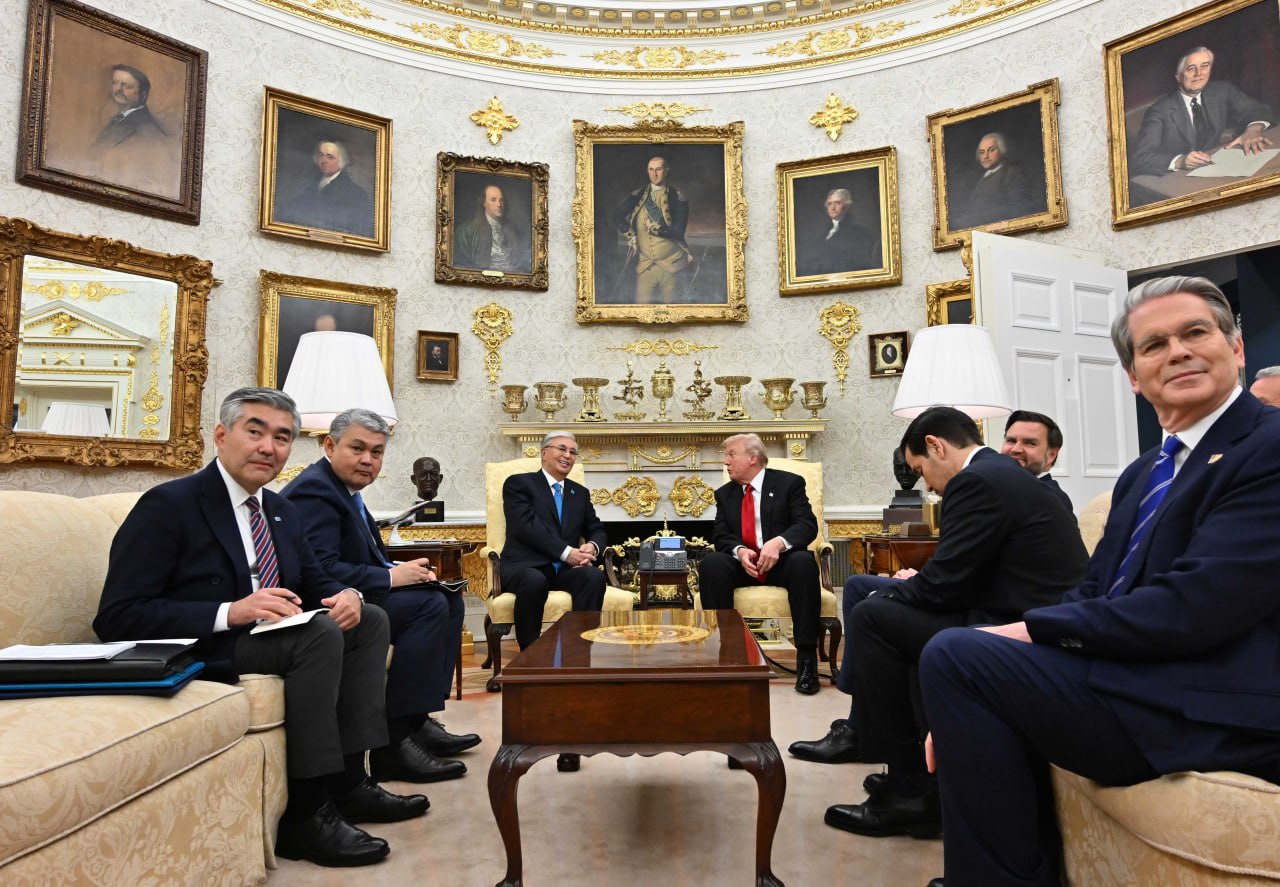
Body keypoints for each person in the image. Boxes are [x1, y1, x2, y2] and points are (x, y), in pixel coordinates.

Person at [917, 276, 1280, 886]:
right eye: (1154, 344)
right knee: (965, 660)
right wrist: (1005, 655)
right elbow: (1095, 590)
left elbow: (1196, 606)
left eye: (1195, 332)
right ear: (1134, 376)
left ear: (1236, 348)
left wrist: (1026, 633)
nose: (1178, 351)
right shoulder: (1145, 472)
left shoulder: (1268, 446)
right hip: (1143, 682)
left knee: (957, 655)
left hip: (1221, 705)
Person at [95, 388, 426, 869]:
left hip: (269, 637)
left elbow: (318, 582)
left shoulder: (280, 510)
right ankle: (306, 813)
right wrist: (230, 611)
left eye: (282, 437)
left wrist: (349, 595)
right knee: (317, 635)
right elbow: (117, 616)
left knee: (369, 619)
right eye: (255, 432)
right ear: (221, 436)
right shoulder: (169, 504)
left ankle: (351, 783)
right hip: (207, 645)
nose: (268, 447)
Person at [806, 407, 1087, 842]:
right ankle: (916, 776)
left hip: (1020, 625)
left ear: (936, 446)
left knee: (873, 616)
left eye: (921, 470)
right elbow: (959, 575)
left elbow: (944, 587)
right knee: (883, 613)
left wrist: (889, 595)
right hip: (1011, 609)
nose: (927, 485)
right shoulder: (995, 473)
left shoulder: (975, 481)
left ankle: (906, 788)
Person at [281, 409, 479, 787]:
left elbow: (360, 556)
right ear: (329, 445)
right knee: (428, 605)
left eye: (376, 452)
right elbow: (320, 570)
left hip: (358, 594)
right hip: (326, 605)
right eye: (357, 448)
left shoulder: (342, 490)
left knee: (447, 596)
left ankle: (417, 720)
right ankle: (395, 740)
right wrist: (391, 577)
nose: (367, 460)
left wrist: (403, 570)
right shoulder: (315, 491)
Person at [699, 433, 822, 695]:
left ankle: (807, 660)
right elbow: (721, 535)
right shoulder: (725, 494)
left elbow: (806, 525)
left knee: (803, 562)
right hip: (745, 566)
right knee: (713, 563)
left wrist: (778, 543)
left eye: (731, 455)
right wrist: (740, 551)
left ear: (753, 458)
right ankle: (727, 655)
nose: (726, 461)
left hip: (782, 564)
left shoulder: (789, 484)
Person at [499, 431, 607, 651]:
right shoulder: (519, 484)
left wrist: (592, 547)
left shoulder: (580, 493)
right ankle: (529, 655)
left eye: (573, 452)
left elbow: (596, 528)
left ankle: (578, 651)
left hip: (563, 570)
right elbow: (526, 527)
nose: (568, 455)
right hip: (525, 566)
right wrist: (568, 553)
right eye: (562, 449)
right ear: (544, 453)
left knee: (593, 576)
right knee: (534, 580)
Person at [1129, 46, 1273, 177]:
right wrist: (1180, 161)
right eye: (1191, 68)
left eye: (1204, 66)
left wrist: (1253, 130)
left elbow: (1258, 109)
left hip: (1219, 166)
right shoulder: (1160, 111)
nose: (1199, 74)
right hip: (1177, 179)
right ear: (1178, 77)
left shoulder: (1222, 91)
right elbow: (1140, 159)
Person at [613, 155, 693, 303]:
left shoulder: (678, 197)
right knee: (641, 310)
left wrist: (653, 227)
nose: (654, 174)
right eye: (651, 170)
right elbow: (617, 215)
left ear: (666, 170)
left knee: (672, 310)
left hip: (672, 265)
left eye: (658, 169)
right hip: (644, 266)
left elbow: (678, 231)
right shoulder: (638, 195)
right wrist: (631, 236)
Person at [279, 139, 375, 238]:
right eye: (321, 155)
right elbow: (294, 208)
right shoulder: (313, 183)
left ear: (341, 161)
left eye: (330, 157)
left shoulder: (355, 193)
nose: (324, 161)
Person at [954, 133, 1043, 229]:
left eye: (991, 150)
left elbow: (1017, 210)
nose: (986, 156)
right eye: (982, 152)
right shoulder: (979, 177)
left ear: (1002, 150)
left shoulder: (1012, 174)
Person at [796, 188, 882, 277]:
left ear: (847, 206)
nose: (832, 208)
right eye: (829, 204)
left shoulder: (859, 233)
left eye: (838, 203)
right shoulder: (823, 233)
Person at [1001, 409, 1073, 511]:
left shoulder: (1050, 500)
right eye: (1011, 441)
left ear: (1051, 455)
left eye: (1030, 443)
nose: (1016, 449)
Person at [454, 184, 530, 273]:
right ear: (484, 203)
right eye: (493, 200)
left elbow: (522, 261)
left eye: (501, 200)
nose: (499, 204)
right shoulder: (466, 231)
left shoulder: (512, 231)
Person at [94, 64, 167, 150]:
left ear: (143, 95)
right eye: (115, 83)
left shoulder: (146, 129)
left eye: (126, 85)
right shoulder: (118, 118)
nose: (118, 89)